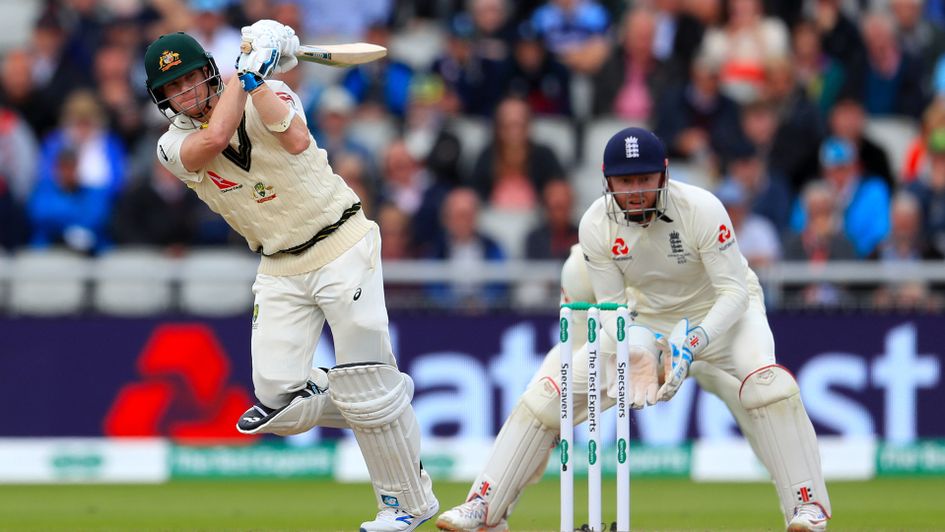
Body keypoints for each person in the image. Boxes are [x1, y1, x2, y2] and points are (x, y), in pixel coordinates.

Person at [436, 127, 831, 532]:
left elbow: (733, 292)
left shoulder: (702, 208)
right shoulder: (595, 224)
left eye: (644, 179)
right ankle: (485, 506)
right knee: (545, 397)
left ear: (664, 174)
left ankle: (807, 506)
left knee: (768, 385)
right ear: (607, 180)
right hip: (644, 316)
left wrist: (693, 342)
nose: (636, 191)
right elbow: (611, 307)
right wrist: (639, 351)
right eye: (626, 181)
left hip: (722, 312)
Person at [144, 24, 437, 531]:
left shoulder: (269, 93)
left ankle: (405, 506)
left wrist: (257, 79)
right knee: (278, 398)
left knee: (362, 382)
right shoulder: (171, 147)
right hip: (279, 264)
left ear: (208, 74)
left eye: (191, 79)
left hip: (341, 241)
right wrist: (248, 66)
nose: (185, 94)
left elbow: (299, 140)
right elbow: (214, 139)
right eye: (171, 89)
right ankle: (379, 393)